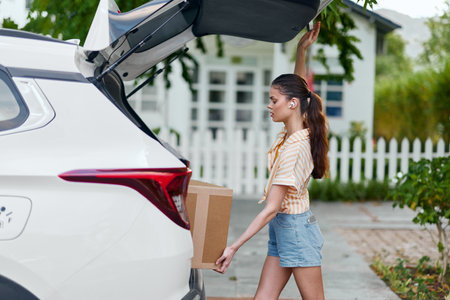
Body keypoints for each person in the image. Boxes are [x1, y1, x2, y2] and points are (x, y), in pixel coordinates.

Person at [215, 21, 328, 300]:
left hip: (296, 229)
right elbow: (300, 88)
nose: (269, 104)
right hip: (286, 229)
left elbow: (271, 209)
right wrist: (302, 50)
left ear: (291, 104)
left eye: (273, 99)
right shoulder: (299, 127)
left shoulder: (295, 147)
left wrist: (233, 247)